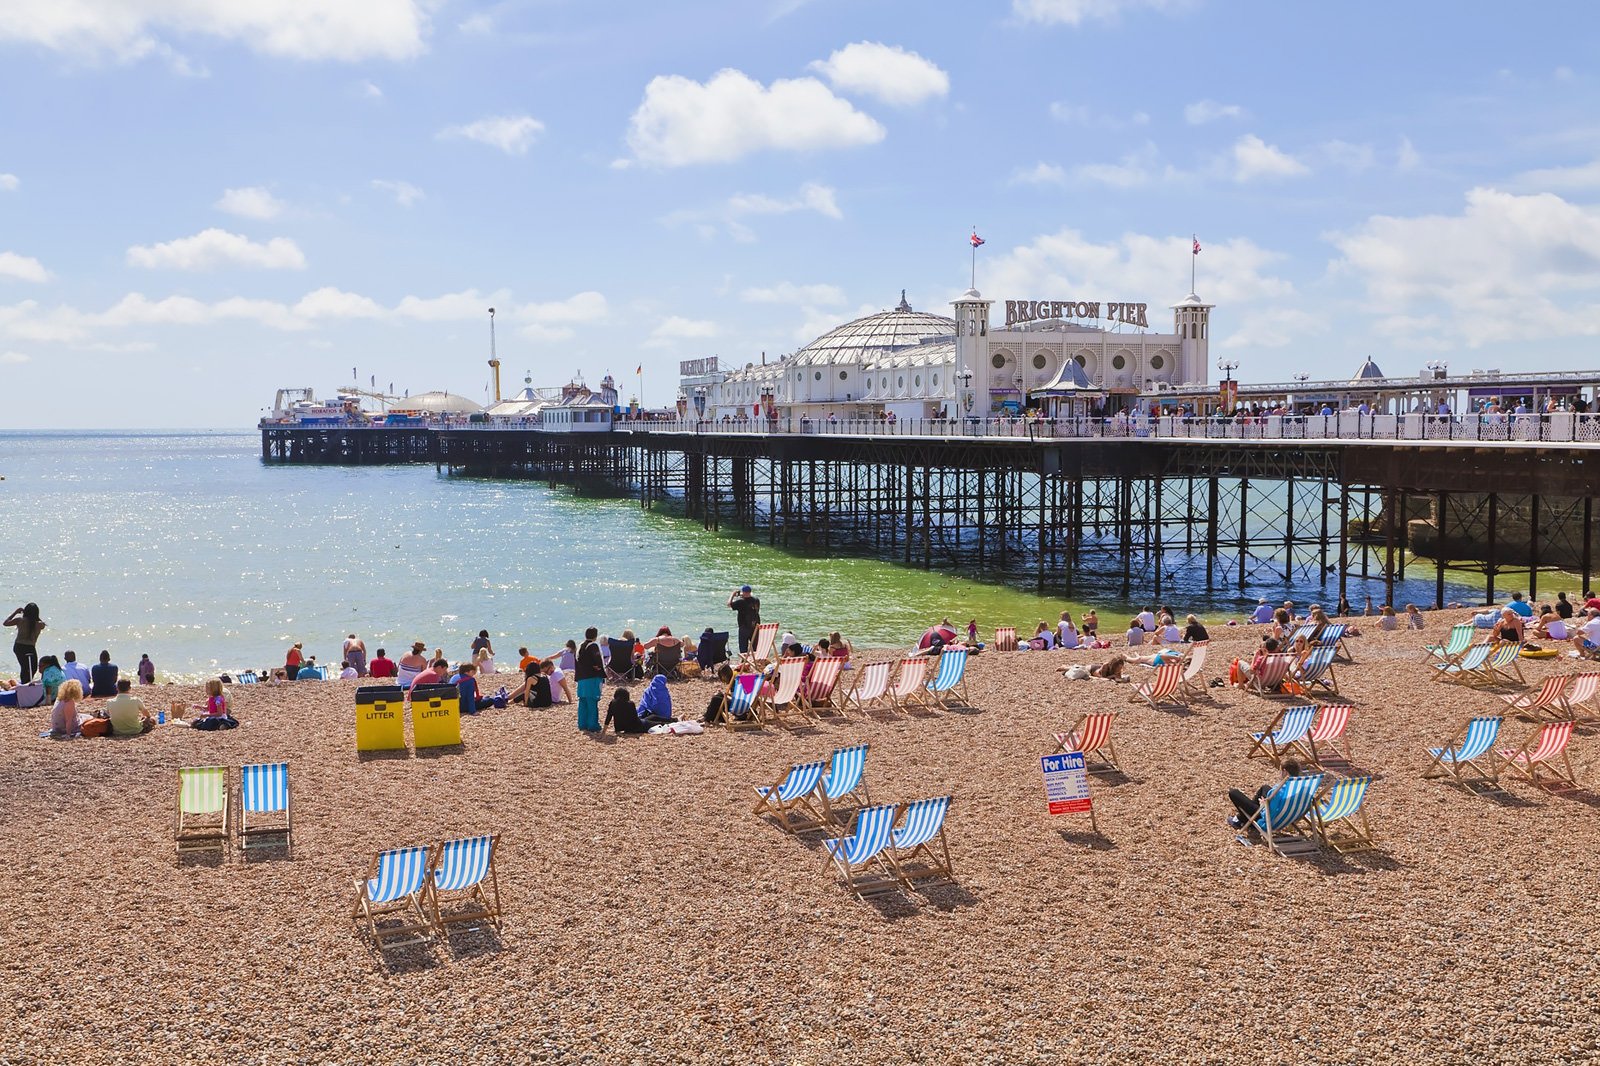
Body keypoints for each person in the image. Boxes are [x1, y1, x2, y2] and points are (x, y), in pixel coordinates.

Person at [1228, 759, 1308, 831]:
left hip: (1269, 822)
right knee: (1265, 788)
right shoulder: (1302, 789)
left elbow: (1268, 816)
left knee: (1233, 792)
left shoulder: (1278, 791)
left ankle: (1241, 819)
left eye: (1280, 771)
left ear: (1285, 772)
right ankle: (1244, 818)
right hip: (1284, 819)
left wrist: (1263, 805)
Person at [4, 603, 45, 684]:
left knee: (25, 667)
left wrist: (16, 612)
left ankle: (25, 683)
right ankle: (25, 684)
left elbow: (6, 623)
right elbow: (41, 624)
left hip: (19, 646)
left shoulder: (20, 620)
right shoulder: (40, 624)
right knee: (32, 668)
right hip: (29, 647)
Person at [576, 627, 604, 732]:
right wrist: (598, 667)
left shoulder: (580, 646)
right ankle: (593, 725)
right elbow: (598, 661)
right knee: (592, 702)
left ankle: (582, 723)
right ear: (595, 636)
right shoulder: (593, 646)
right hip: (592, 678)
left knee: (583, 702)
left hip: (581, 678)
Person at [728, 585, 762, 654]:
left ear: (743, 592)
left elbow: (729, 604)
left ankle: (744, 662)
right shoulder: (756, 600)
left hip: (744, 627)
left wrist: (732, 595)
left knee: (743, 649)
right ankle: (755, 661)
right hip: (755, 627)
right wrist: (742, 595)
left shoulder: (741, 602)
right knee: (755, 648)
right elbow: (749, 599)